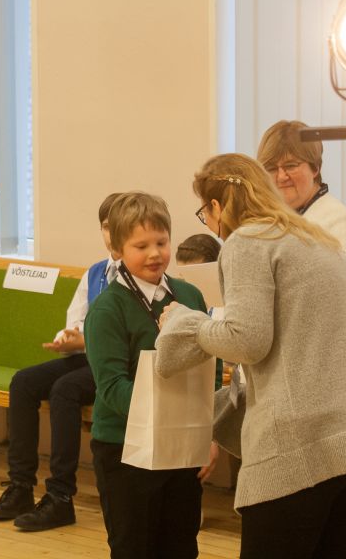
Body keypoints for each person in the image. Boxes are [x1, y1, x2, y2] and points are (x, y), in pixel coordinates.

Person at [155, 153, 346, 559]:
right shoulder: (316, 238)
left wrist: (186, 321)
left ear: (217, 206)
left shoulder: (247, 241)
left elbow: (246, 340)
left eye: (205, 213)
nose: (210, 224)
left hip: (308, 439)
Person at [84, 192, 222, 559]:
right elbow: (112, 387)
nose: (154, 254)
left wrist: (209, 433)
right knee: (134, 547)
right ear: (117, 250)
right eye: (141, 246)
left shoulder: (189, 295)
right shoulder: (107, 309)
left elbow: (210, 366)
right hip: (124, 448)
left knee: (181, 546)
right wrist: (168, 413)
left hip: (182, 446)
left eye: (161, 242)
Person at [0, 192, 122, 531]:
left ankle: (60, 497)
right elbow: (76, 320)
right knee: (23, 381)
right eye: (106, 226)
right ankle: (21, 485)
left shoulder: (137, 276)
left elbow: (126, 337)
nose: (111, 234)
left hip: (116, 365)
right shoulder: (95, 273)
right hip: (87, 357)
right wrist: (67, 338)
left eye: (119, 226)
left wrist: (86, 340)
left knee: (65, 389)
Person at [257, 119, 346, 292]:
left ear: (315, 168)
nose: (281, 177)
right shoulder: (267, 221)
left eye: (290, 166)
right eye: (271, 168)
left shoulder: (341, 225)